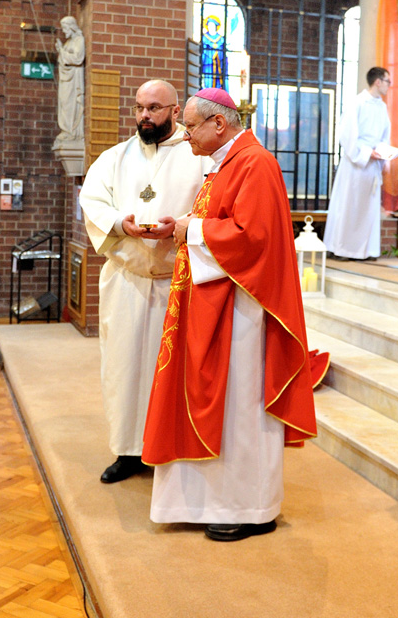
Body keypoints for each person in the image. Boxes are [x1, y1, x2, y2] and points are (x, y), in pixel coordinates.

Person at [142, 88, 319, 542]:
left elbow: (252, 237)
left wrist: (193, 229)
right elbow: (219, 218)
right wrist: (184, 225)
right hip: (213, 303)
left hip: (242, 313)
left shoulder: (255, 163)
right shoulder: (226, 162)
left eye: (190, 127)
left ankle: (250, 508)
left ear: (218, 124)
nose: (185, 136)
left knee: (239, 409)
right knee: (215, 402)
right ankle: (207, 501)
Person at [78, 79, 211, 484]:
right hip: (127, 281)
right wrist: (122, 224)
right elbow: (92, 201)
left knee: (171, 372)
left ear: (175, 111)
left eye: (154, 108)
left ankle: (167, 448)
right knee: (123, 369)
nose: (144, 116)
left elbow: (215, 206)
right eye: (139, 108)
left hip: (178, 282)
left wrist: (182, 225)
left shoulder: (199, 156)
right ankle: (127, 451)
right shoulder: (115, 157)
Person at [323, 67, 398, 260]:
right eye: (388, 81)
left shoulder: (381, 107)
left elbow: (384, 135)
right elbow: (347, 135)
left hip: (372, 165)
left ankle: (366, 251)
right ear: (378, 82)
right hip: (355, 165)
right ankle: (342, 249)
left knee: (369, 209)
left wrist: (383, 151)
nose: (389, 86)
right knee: (349, 206)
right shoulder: (357, 103)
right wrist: (366, 153)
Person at [54, 16, 86, 146]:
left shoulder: (79, 40)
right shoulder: (68, 43)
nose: (63, 31)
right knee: (63, 103)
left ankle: (71, 131)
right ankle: (66, 131)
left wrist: (62, 51)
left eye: (65, 28)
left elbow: (78, 58)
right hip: (65, 79)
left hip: (74, 80)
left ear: (71, 27)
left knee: (70, 104)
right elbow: (63, 59)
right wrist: (61, 49)